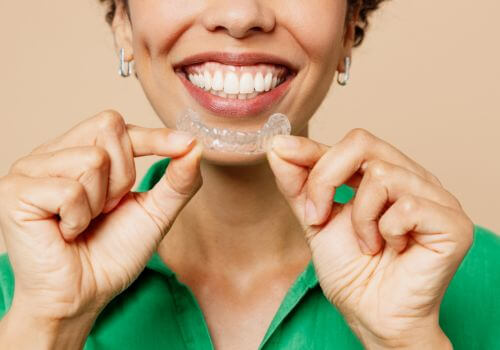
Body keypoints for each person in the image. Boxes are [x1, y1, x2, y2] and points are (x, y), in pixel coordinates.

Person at [0, 0, 498, 349]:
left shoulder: (481, 283)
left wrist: (406, 344)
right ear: (123, 21)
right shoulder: (21, 294)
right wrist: (47, 327)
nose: (239, 16)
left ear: (349, 23)